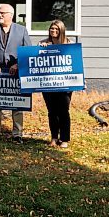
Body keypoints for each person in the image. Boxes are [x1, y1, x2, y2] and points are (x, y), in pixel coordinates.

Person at [0, 4, 31, 144]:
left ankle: (17, 134)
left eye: (3, 13)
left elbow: (28, 51)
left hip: (15, 72)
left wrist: (18, 64)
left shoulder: (21, 30)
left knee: (17, 104)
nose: (0, 15)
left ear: (11, 15)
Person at [39, 20, 73, 148]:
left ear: (61, 31)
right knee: (52, 111)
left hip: (65, 83)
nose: (53, 31)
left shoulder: (69, 44)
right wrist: (40, 49)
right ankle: (54, 137)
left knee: (63, 111)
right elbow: (37, 58)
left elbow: (75, 63)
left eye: (56, 29)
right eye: (51, 29)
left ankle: (64, 139)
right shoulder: (43, 43)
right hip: (48, 83)